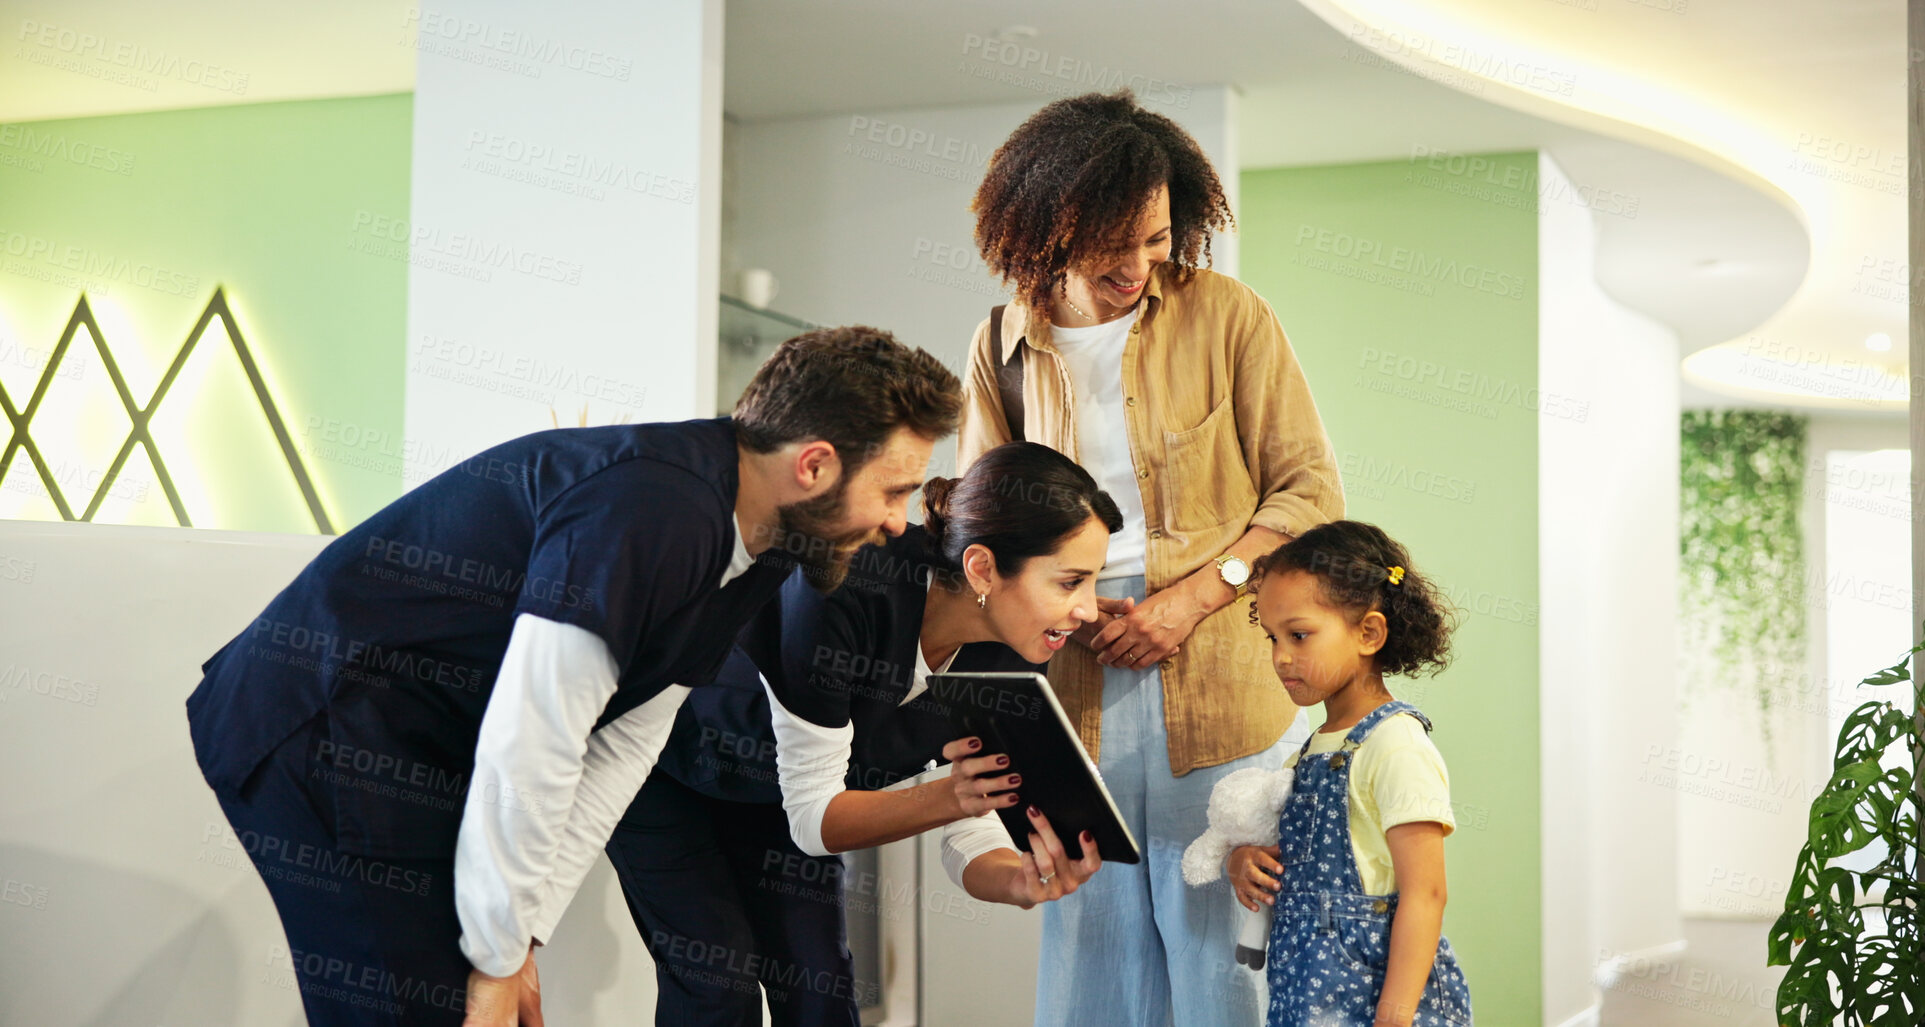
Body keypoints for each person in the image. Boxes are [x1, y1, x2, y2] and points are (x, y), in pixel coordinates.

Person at [185, 326, 962, 1026]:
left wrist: (519, 931)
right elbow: (538, 733)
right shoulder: (655, 508)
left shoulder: (758, 543)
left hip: (413, 742)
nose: (898, 521)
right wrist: (496, 953)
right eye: (892, 489)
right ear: (814, 465)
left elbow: (624, 744)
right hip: (316, 725)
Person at [959, 90, 1345, 1024]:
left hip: (1213, 661)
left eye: (1157, 239)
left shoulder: (1229, 317)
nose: (1137, 265)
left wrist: (1197, 596)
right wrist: (1055, 615)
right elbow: (978, 521)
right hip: (1067, 660)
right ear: (1050, 225)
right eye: (1112, 243)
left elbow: (1308, 494)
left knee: (1222, 952)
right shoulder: (1000, 344)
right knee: (1089, 940)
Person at [607, 441, 1120, 1025]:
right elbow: (816, 819)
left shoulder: (1016, 652)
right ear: (982, 568)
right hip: (665, 760)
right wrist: (951, 793)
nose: (1086, 611)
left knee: (821, 991)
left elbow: (973, 828)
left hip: (794, 795)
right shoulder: (851, 583)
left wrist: (1021, 883)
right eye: (1070, 582)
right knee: (718, 986)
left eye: (1092, 581)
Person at [1223, 521, 1471, 1027]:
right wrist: (1244, 860)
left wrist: (1394, 1017)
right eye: (1273, 638)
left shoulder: (1395, 744)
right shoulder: (1310, 751)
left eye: (1299, 635)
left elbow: (1426, 893)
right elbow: (1289, 854)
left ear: (1369, 633)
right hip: (1305, 1002)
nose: (1280, 656)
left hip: (1378, 1005)